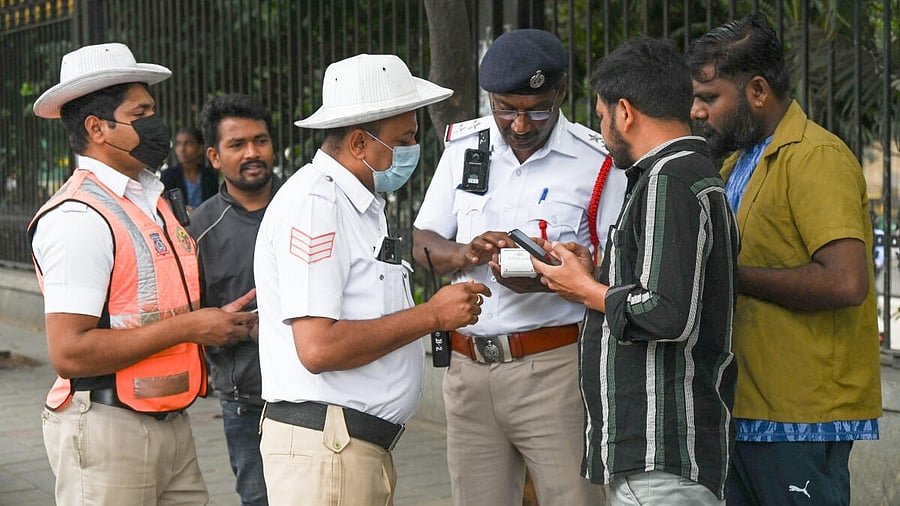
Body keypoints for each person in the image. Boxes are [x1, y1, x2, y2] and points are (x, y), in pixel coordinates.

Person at [253, 53, 491, 505]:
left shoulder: (357, 204)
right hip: (328, 450)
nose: (412, 150)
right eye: (405, 139)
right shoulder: (317, 205)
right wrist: (430, 316)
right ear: (360, 144)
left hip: (347, 448)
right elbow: (318, 348)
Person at [28, 42, 257, 504]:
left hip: (170, 420)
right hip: (108, 432)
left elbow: (151, 303)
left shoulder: (151, 198)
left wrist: (210, 321)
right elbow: (70, 353)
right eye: (142, 112)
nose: (158, 124)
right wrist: (191, 326)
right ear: (97, 128)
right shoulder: (79, 217)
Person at [412, 29, 626, 506]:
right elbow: (423, 240)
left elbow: (616, 269)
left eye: (537, 109)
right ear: (490, 98)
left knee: (575, 498)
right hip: (469, 370)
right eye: (506, 109)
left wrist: (553, 276)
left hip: (555, 369)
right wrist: (467, 252)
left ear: (563, 91)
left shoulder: (598, 161)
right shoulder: (464, 148)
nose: (521, 125)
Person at [531, 37, 740, 505]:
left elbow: (667, 313)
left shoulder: (670, 180)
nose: (603, 131)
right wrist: (596, 276)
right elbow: (665, 286)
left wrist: (586, 290)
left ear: (624, 112)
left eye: (603, 118)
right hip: (656, 459)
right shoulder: (677, 175)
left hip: (661, 456)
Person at [687, 14, 882, 505]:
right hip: (744, 410)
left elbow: (845, 283)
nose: (697, 111)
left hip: (802, 421)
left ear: (756, 91)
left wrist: (729, 276)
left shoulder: (816, 157)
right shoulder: (738, 161)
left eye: (709, 98)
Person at [188, 93, 280, 506]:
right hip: (248, 401)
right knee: (259, 498)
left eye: (260, 140)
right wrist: (230, 327)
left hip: (324, 390)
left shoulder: (307, 204)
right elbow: (188, 318)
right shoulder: (196, 230)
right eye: (237, 144)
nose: (252, 153)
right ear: (213, 156)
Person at [160, 126, 219, 210]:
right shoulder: (169, 175)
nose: (182, 149)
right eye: (179, 144)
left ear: (200, 148)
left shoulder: (209, 175)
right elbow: (164, 204)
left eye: (188, 143)